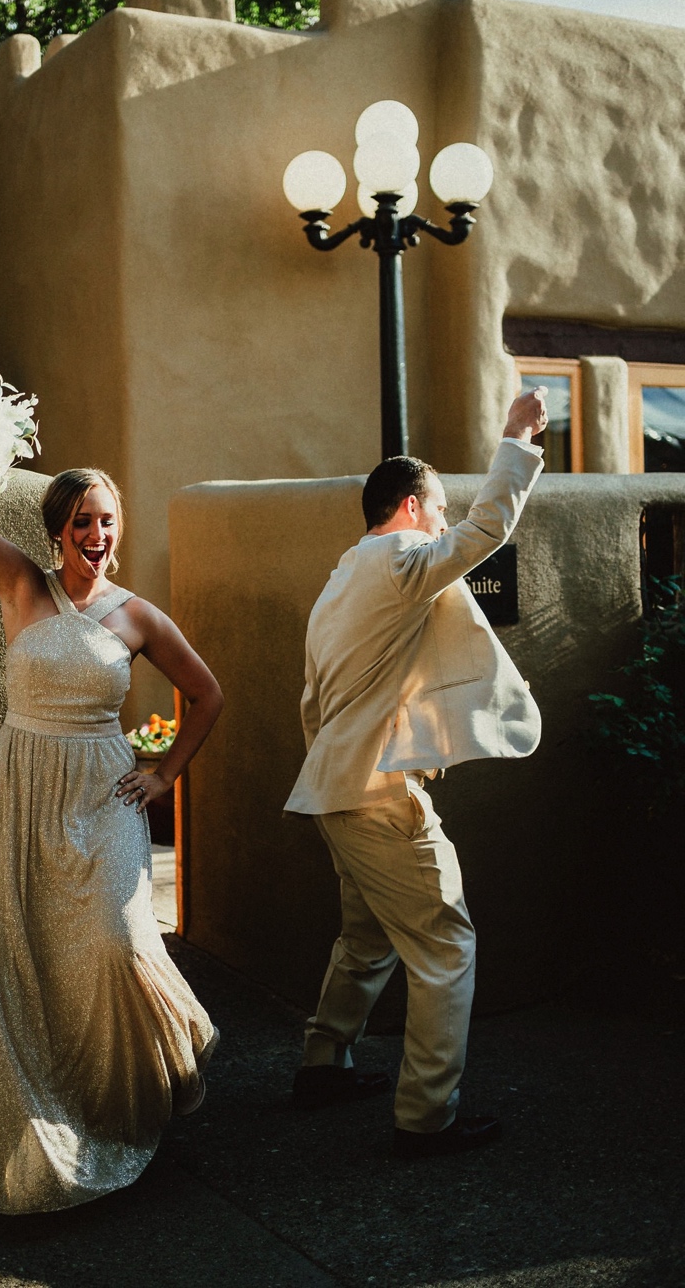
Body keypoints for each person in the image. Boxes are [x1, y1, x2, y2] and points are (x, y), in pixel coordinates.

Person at [0, 468, 223, 1213]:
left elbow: (206, 694)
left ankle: (154, 1074)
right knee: (39, 963)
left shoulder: (138, 616)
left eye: (108, 522)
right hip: (22, 789)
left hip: (103, 792)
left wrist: (165, 776)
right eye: (83, 523)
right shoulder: (22, 586)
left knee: (119, 942)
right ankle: (65, 1126)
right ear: (58, 529)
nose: (98, 537)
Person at [285, 388, 549, 1159]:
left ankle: (323, 1064)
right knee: (446, 945)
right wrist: (514, 439)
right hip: (376, 795)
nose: (442, 523)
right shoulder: (401, 561)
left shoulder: (339, 583)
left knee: (366, 939)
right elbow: (488, 529)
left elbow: (314, 703)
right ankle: (426, 1118)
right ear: (408, 507)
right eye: (436, 509)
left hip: (333, 791)